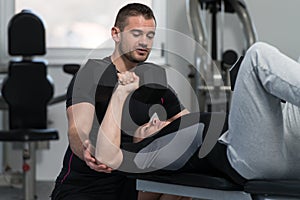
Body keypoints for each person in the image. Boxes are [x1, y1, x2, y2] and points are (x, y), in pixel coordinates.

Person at [88, 41, 300, 200]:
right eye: (144, 129)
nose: (153, 121)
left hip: (287, 146)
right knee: (256, 56)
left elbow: (176, 109)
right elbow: (107, 156)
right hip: (250, 159)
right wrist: (121, 92)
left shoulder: (184, 126)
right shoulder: (149, 154)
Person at [51, 3, 189, 200]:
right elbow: (77, 129)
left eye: (150, 36)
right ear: (116, 34)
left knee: (183, 192)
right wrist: (87, 149)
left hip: (133, 183)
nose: (144, 42)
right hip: (88, 185)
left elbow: (188, 124)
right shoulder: (91, 73)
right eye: (136, 34)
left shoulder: (153, 79)